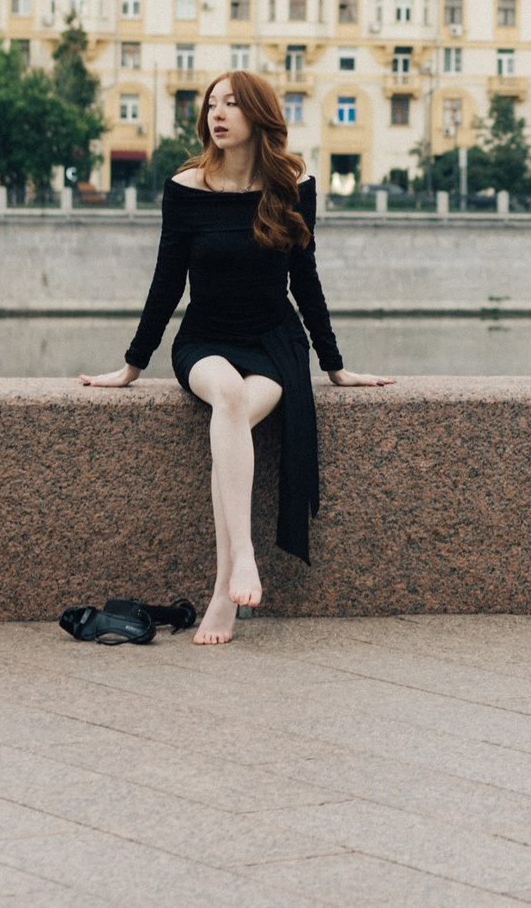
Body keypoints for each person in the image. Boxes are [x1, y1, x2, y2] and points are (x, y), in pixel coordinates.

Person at [77, 69, 392, 643]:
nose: (217, 115)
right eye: (211, 105)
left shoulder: (294, 190)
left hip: (275, 342)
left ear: (259, 116)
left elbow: (307, 280)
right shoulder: (186, 188)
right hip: (205, 339)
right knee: (227, 395)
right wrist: (131, 365)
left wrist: (334, 366)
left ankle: (223, 593)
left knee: (237, 415)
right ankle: (241, 559)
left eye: (231, 105)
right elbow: (167, 281)